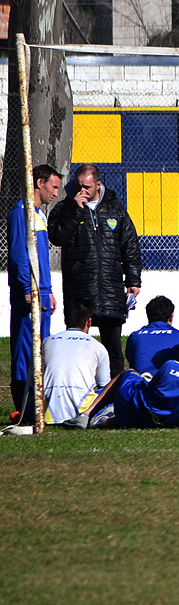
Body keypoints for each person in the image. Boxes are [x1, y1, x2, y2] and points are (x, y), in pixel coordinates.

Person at [47, 164, 142, 376]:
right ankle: (82, 394)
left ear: (98, 185)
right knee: (78, 349)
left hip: (110, 289)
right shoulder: (65, 208)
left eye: (87, 187)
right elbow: (56, 237)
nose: (82, 191)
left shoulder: (115, 209)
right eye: (79, 186)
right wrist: (75, 210)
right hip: (80, 290)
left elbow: (130, 246)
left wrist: (133, 281)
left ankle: (114, 399)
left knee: (113, 351)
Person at [7, 164, 61, 426]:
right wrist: (29, 288)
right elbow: (19, 255)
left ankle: (37, 407)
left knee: (41, 350)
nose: (56, 193)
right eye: (53, 187)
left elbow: (40, 258)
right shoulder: (21, 212)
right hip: (29, 297)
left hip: (42, 295)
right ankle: (25, 409)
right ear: (39, 183)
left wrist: (47, 291)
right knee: (27, 351)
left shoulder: (39, 214)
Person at [41, 299, 113, 428]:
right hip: (81, 411)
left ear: (66, 320)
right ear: (89, 321)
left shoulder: (47, 342)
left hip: (47, 411)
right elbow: (104, 386)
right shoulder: (97, 346)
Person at [125, 296, 179, 374]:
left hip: (139, 383)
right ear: (171, 316)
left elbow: (131, 360)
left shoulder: (134, 337)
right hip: (168, 384)